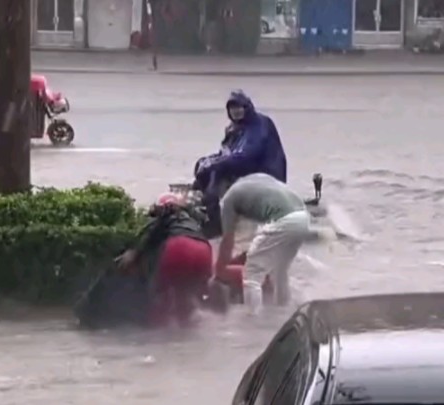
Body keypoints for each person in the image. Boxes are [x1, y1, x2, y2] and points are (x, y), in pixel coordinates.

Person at [75, 192, 214, 328]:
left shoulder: (163, 216)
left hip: (179, 247)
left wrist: (133, 252)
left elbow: (147, 236)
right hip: (205, 250)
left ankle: (155, 338)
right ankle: (188, 339)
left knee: (159, 295)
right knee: (187, 297)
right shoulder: (191, 220)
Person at [193, 89, 288, 240]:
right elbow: (225, 153)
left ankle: (215, 223)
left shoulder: (259, 126)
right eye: (232, 109)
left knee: (216, 172)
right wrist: (205, 162)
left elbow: (245, 157)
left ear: (247, 107)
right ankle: (205, 209)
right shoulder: (235, 128)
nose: (236, 112)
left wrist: (213, 165)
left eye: (239, 108)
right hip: (250, 171)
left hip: (267, 176)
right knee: (206, 168)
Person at [213, 173, 310, 306]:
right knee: (279, 272)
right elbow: (261, 234)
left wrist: (220, 270)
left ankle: (253, 318)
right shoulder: (256, 181)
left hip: (285, 220)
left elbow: (227, 241)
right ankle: (282, 312)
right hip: (303, 217)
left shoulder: (228, 199)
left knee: (252, 274)